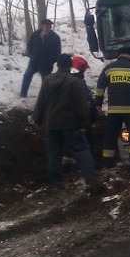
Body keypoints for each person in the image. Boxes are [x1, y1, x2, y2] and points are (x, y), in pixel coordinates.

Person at [34, 53, 104, 193]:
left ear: (57, 65)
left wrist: (38, 119)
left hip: (51, 124)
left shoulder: (47, 80)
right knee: (81, 149)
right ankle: (91, 180)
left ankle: (55, 182)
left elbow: (41, 102)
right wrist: (84, 124)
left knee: (54, 153)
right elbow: (81, 106)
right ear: (69, 65)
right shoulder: (74, 82)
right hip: (70, 124)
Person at [95, 47, 130, 168]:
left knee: (110, 135)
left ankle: (107, 164)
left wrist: (98, 104)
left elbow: (99, 89)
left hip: (114, 110)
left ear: (118, 55)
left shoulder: (109, 69)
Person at [20, 18, 62, 97]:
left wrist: (52, 60)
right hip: (34, 62)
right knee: (27, 75)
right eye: (46, 26)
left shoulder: (55, 37)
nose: (48, 28)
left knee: (46, 81)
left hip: (46, 64)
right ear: (42, 26)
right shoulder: (35, 35)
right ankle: (23, 93)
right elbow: (29, 46)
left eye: (49, 27)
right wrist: (31, 54)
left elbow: (58, 51)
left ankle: (45, 97)